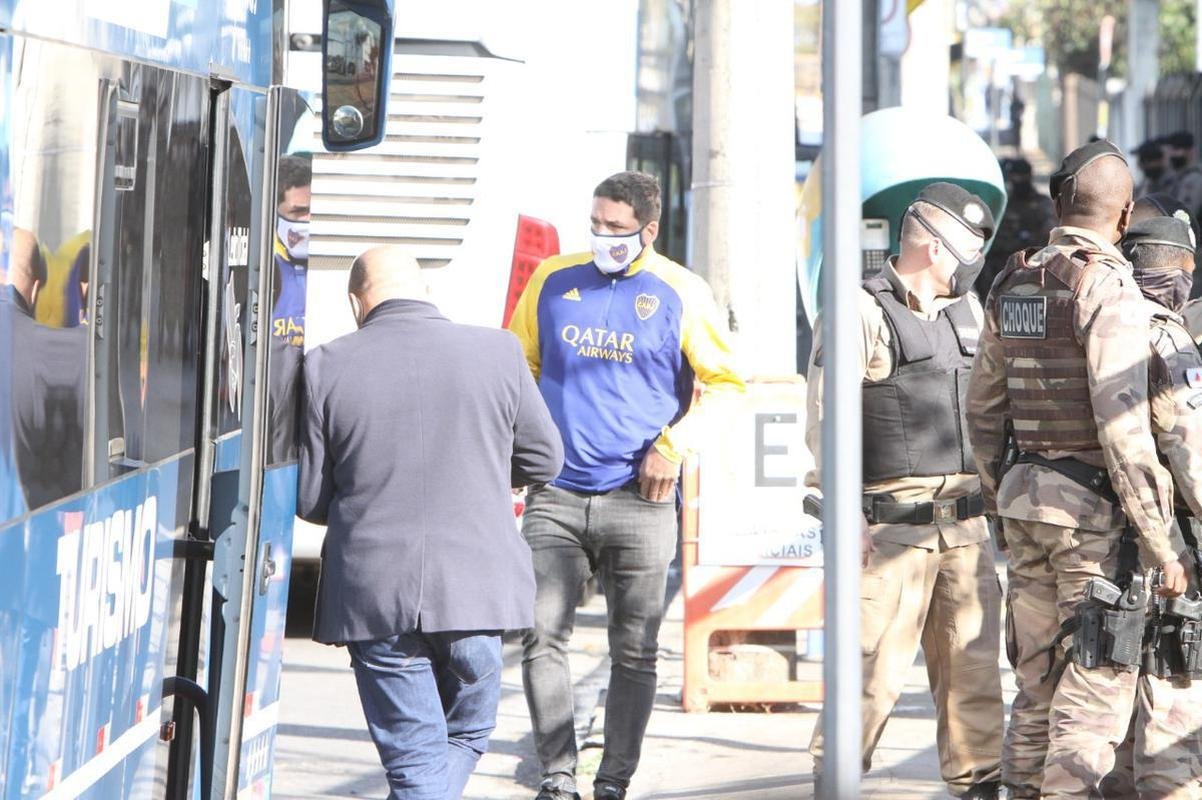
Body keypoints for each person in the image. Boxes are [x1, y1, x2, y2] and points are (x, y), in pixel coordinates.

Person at [508, 170, 744, 800]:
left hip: (641, 503)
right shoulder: (554, 279)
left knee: (634, 652)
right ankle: (558, 778)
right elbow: (518, 364)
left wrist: (674, 446)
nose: (603, 237)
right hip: (555, 495)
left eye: (617, 228)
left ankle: (612, 782)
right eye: (596, 224)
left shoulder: (681, 291)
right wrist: (522, 446)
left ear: (649, 228)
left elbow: (726, 386)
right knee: (540, 638)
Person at [297, 246, 564, 800]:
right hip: (478, 589)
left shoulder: (325, 364)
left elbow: (311, 497)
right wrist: (485, 475)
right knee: (464, 735)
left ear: (356, 302)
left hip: (376, 594)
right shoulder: (499, 352)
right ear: (425, 290)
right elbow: (545, 460)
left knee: (415, 765)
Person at [967, 139, 1186, 799]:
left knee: (1035, 684)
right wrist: (1162, 543)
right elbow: (1123, 432)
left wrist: (994, 501)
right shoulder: (1109, 287)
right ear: (1123, 220)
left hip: (1023, 505)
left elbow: (982, 409)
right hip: (1090, 525)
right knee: (1094, 690)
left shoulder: (1014, 278)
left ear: (1058, 202)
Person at [805, 182, 1004, 799]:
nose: (971, 268)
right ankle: (834, 781)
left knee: (973, 677)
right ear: (934, 250)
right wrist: (842, 516)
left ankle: (978, 784)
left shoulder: (965, 314)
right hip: (890, 535)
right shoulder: (860, 312)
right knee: (868, 678)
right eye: (966, 253)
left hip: (966, 530)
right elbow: (825, 423)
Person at [1094, 214, 1202, 799]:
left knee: (1113, 692)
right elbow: (1191, 453)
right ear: (1184, 271)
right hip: (1167, 543)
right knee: (1174, 693)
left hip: (1092, 529)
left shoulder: (1098, 318)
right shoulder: (1166, 334)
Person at [976, 158, 1056, 299]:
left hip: (1031, 271)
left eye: (1020, 177)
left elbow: (1048, 239)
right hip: (1000, 273)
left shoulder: (1042, 204)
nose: (1017, 181)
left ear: (1028, 176)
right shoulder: (1003, 204)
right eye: (1014, 177)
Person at [1166, 130, 1202, 218]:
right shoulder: (1178, 177)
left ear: (1190, 151)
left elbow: (1187, 214)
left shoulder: (1195, 178)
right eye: (1170, 150)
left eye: (1176, 149)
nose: (1172, 154)